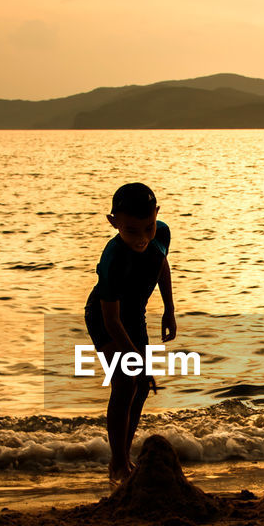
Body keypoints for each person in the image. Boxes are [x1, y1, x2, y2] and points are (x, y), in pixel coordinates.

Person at [84, 182, 176, 484]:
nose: (142, 239)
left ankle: (123, 458)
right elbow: (110, 318)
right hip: (105, 317)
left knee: (141, 388)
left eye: (147, 228)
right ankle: (119, 465)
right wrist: (133, 355)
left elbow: (161, 263)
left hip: (135, 316)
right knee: (126, 383)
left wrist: (169, 308)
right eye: (131, 231)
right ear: (114, 223)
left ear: (156, 216)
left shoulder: (161, 232)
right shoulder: (113, 258)